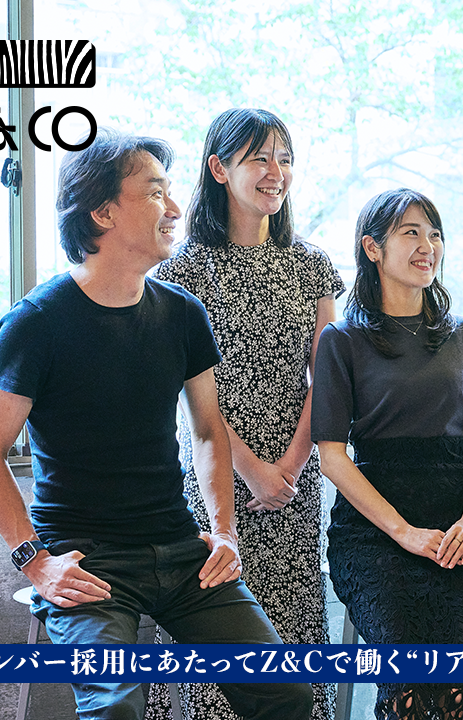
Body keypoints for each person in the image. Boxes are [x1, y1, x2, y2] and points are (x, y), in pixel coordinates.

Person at [0, 130, 313, 720]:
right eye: (156, 193)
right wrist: (36, 561)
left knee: (287, 693)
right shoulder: (35, 323)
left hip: (180, 548)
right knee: (117, 710)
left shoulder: (182, 314)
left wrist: (224, 533)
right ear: (103, 212)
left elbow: (208, 431)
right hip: (87, 560)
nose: (175, 208)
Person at [141, 109, 342, 720]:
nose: (275, 171)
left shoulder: (311, 265)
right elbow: (187, 398)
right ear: (219, 168)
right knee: (214, 643)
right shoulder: (180, 272)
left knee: (294, 643)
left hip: (295, 484)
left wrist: (292, 464)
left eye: (284, 158)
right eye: (259, 158)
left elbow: (326, 379)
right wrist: (251, 468)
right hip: (213, 483)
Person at [311, 188, 463, 720]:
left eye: (434, 234)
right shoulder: (341, 339)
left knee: (460, 684)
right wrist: (403, 532)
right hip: (374, 530)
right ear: (372, 248)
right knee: (409, 683)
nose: (427, 246)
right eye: (411, 232)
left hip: (457, 519)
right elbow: (332, 458)